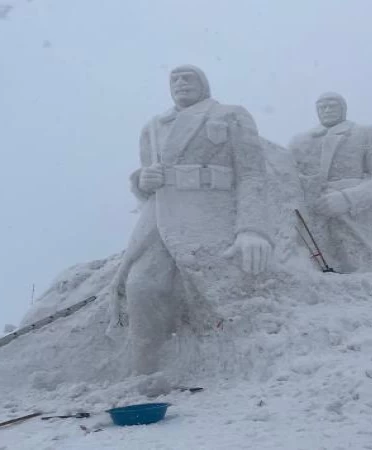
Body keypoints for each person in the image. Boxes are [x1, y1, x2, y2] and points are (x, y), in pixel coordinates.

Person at [108, 65, 272, 374]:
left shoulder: (230, 114)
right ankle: (147, 371)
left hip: (211, 214)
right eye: (175, 79)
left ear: (204, 84)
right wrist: (143, 180)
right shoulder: (153, 126)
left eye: (188, 78)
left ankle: (236, 367)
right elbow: (147, 184)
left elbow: (252, 175)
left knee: (221, 293)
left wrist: (252, 228)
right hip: (160, 217)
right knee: (140, 285)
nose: (181, 83)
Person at [289, 92, 372, 273]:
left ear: (344, 109)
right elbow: (287, 178)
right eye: (323, 107)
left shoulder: (364, 133)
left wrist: (348, 199)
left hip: (353, 215)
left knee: (366, 271)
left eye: (333, 105)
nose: (328, 110)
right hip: (312, 216)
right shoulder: (300, 141)